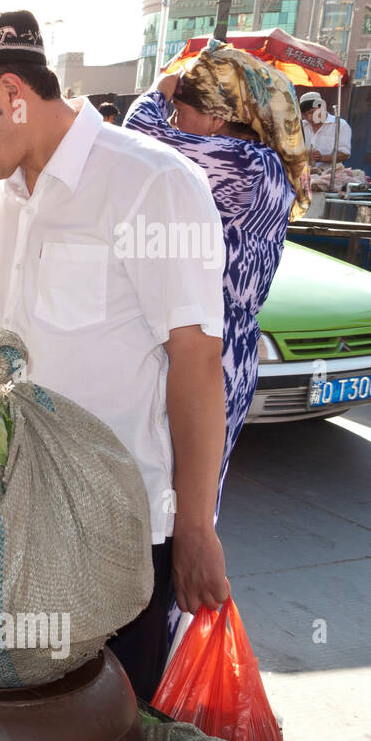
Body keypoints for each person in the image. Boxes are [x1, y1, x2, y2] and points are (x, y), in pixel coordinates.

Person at [0, 10, 230, 702]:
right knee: (34, 709)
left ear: (12, 92)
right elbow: (20, 335)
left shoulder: (151, 186)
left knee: (108, 716)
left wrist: (194, 526)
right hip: (20, 504)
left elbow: (195, 364)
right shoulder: (5, 198)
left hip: (118, 519)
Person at [125, 45, 307, 519]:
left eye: (183, 111)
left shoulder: (247, 166)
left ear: (218, 116)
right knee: (178, 501)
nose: (175, 118)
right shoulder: (260, 163)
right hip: (216, 345)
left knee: (178, 508)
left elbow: (138, 139)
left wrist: (157, 91)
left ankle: (174, 591)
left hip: (210, 352)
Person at [299, 91, 351, 168]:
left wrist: (322, 158)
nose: (309, 118)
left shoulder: (340, 125)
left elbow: (345, 154)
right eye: (305, 115)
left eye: (312, 112)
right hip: (305, 174)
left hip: (329, 175)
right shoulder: (300, 126)